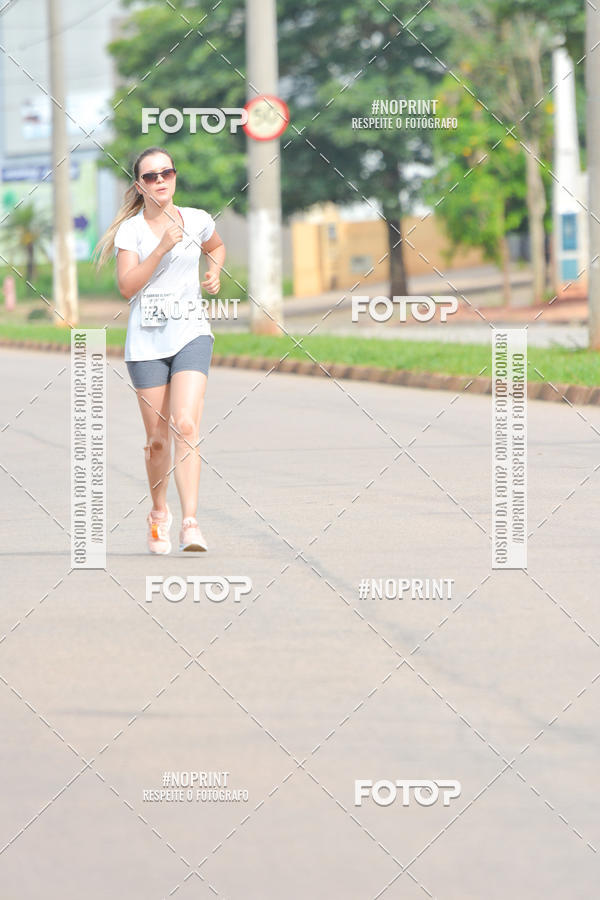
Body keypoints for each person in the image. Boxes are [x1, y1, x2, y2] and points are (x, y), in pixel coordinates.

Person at [93, 146, 225, 555]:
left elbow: (216, 247)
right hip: (147, 344)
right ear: (140, 186)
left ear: (175, 176)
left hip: (191, 333)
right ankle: (158, 512)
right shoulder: (131, 231)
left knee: (185, 425)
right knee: (156, 440)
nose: (160, 180)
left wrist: (214, 271)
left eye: (166, 172)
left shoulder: (198, 219)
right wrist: (162, 247)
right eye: (150, 176)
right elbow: (128, 287)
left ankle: (190, 524)